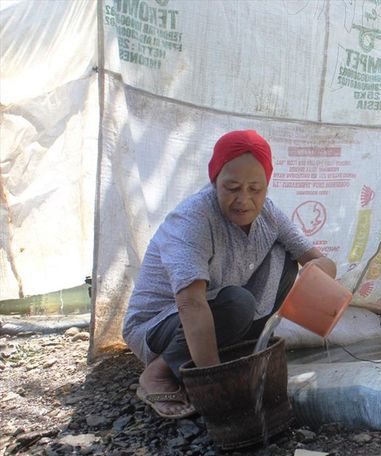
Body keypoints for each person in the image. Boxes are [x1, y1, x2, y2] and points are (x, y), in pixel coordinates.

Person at [122, 130, 336, 418]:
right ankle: (158, 372)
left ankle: (240, 355)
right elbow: (190, 303)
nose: (243, 199)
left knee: (284, 259)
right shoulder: (193, 218)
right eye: (232, 187)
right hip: (161, 322)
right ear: (215, 182)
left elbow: (322, 262)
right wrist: (216, 386)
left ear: (267, 187)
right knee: (238, 303)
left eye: (255, 189)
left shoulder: (269, 214)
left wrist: (316, 273)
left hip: (215, 314)